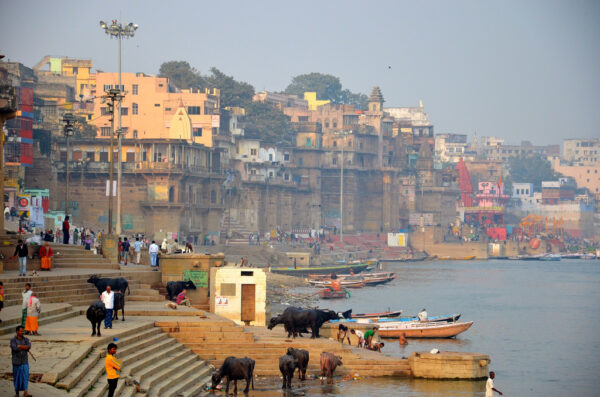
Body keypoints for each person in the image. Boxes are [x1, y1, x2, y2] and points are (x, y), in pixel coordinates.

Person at [11, 325, 32, 397]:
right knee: (17, 377)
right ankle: (17, 393)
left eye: (23, 331)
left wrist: (20, 346)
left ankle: (26, 392)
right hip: (16, 362)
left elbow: (28, 346)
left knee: (25, 376)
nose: (22, 332)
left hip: (24, 361)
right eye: (21, 331)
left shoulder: (26, 339)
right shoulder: (13, 340)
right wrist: (24, 347)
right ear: (17, 332)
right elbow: (15, 349)